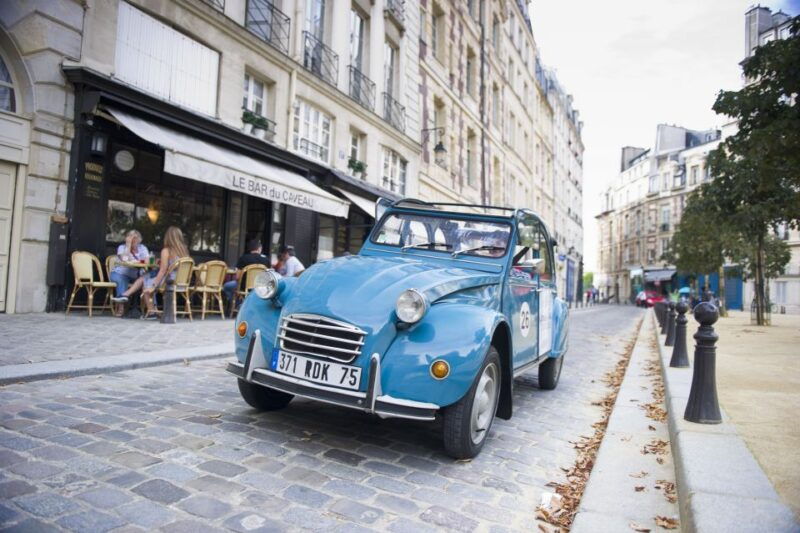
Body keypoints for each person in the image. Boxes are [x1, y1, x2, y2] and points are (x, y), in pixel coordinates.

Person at [117, 226, 189, 320]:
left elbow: (163, 271)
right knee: (146, 277)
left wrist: (154, 285)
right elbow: (173, 266)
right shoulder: (184, 251)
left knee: (146, 281)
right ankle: (130, 296)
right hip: (181, 282)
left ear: (168, 237)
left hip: (169, 282)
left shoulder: (166, 251)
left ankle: (151, 312)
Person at [110, 230, 149, 316]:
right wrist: (128, 245)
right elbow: (124, 259)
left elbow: (147, 261)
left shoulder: (142, 248)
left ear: (140, 239)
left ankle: (151, 309)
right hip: (119, 273)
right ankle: (121, 308)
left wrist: (137, 262)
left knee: (147, 281)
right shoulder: (122, 247)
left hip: (136, 275)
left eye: (135, 237)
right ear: (127, 238)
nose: (133, 239)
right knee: (122, 280)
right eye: (131, 237)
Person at [223, 238, 271, 305]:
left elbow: (237, 277)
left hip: (244, 286)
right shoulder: (266, 260)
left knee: (226, 286)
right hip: (260, 287)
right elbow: (268, 276)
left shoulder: (243, 258)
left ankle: (239, 304)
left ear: (249, 249)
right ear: (259, 248)